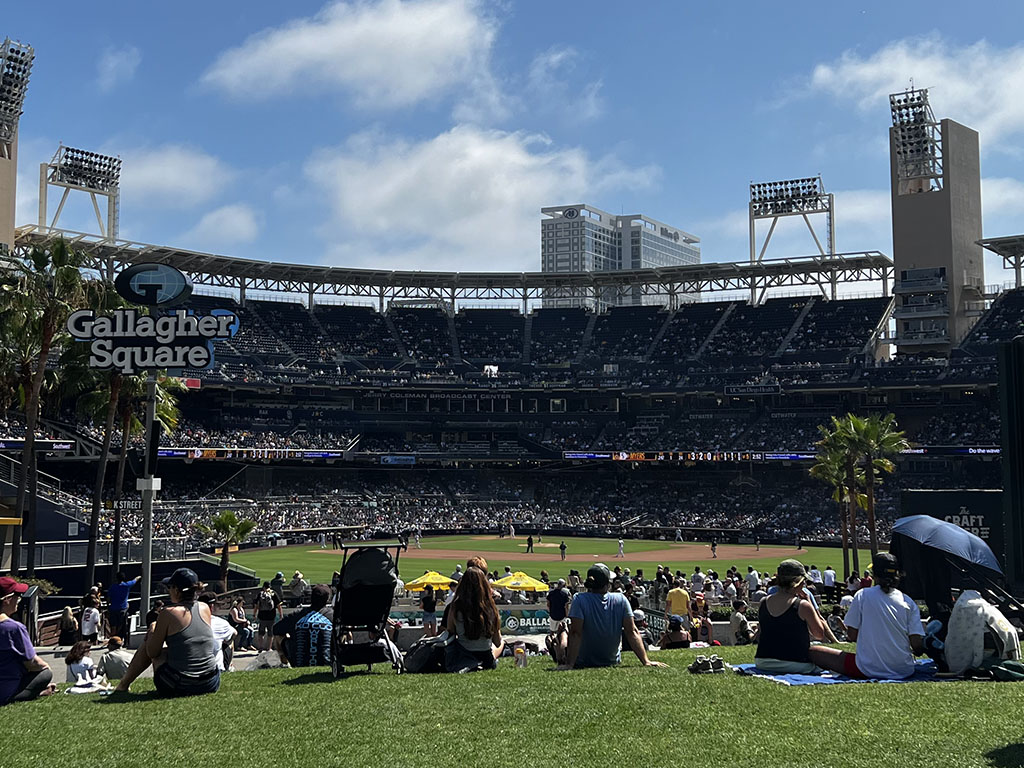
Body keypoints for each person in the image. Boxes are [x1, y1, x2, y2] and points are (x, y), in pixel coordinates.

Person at [812, 553, 924, 680]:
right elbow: (917, 645)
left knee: (815, 651)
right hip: (904, 670)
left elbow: (852, 635)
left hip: (866, 669)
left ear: (875, 574)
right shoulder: (908, 602)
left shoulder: (863, 595)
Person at [114, 568, 220, 697]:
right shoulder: (204, 607)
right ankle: (123, 685)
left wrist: (153, 628)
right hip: (211, 682)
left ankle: (123, 685)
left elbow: (152, 652)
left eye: (169, 587)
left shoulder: (169, 612)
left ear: (176, 590)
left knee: (152, 646)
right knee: (167, 651)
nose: (168, 591)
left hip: (181, 684)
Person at [558, 564, 666, 669]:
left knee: (563, 634)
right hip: (611, 661)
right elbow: (632, 631)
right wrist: (646, 661)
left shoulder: (579, 599)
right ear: (607, 583)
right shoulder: (620, 599)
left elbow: (575, 633)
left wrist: (570, 664)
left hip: (583, 661)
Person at [754, 560, 831, 674]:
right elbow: (819, 634)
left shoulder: (763, 602)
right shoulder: (802, 605)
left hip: (763, 661)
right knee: (830, 656)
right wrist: (810, 604)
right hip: (795, 663)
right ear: (798, 582)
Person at [0, 576, 55, 706]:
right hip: (7, 688)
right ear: (7, 600)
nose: (18, 600)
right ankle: (32, 693)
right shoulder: (13, 628)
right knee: (45, 673)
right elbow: (32, 663)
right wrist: (46, 667)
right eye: (17, 596)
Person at [445, 568, 504, 671]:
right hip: (486, 659)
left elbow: (450, 632)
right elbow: (497, 642)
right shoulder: (490, 607)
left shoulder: (456, 606)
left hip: (463, 655)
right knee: (502, 642)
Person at [273, 585, 334, 667]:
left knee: (278, 637)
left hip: (299, 662)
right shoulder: (333, 616)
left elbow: (276, 630)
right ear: (327, 599)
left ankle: (285, 663)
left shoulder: (297, 615)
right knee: (341, 634)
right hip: (327, 662)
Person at [197, 592, 236, 672]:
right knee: (229, 642)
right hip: (215, 670)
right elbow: (234, 633)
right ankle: (229, 666)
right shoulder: (220, 622)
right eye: (217, 606)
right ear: (212, 607)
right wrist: (226, 642)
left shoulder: (188, 621)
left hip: (191, 669)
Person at [106, 572, 140, 647]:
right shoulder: (127, 585)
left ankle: (113, 641)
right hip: (122, 609)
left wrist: (109, 606)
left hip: (113, 609)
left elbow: (108, 599)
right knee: (123, 626)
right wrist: (139, 576)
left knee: (113, 626)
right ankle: (124, 642)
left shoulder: (112, 587)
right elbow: (135, 580)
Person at [254, 581, 283, 651]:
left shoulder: (260, 594)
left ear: (263, 587)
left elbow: (256, 606)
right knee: (270, 633)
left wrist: (254, 614)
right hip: (271, 616)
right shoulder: (273, 594)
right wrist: (281, 615)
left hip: (262, 616)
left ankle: (260, 647)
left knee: (261, 633)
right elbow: (279, 606)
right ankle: (268, 648)